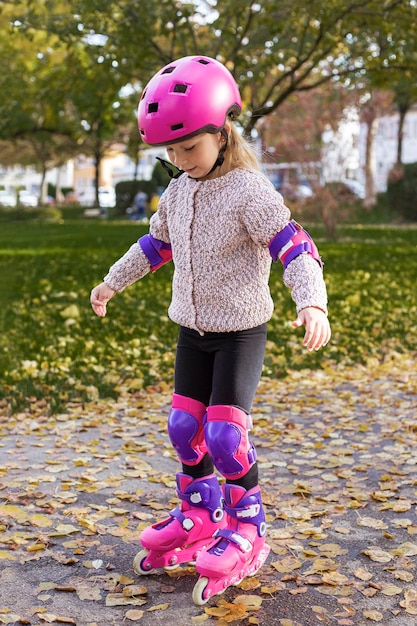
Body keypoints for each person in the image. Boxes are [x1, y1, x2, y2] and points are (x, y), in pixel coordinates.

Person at [90, 55, 331, 605]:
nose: (179, 160)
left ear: (222, 132)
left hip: (241, 331)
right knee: (183, 428)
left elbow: (294, 247)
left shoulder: (249, 192)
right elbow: (155, 246)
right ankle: (198, 514)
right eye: (170, 152)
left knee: (226, 437)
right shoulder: (178, 192)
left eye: (188, 148)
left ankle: (247, 529)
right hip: (193, 332)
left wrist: (312, 304)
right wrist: (112, 283)